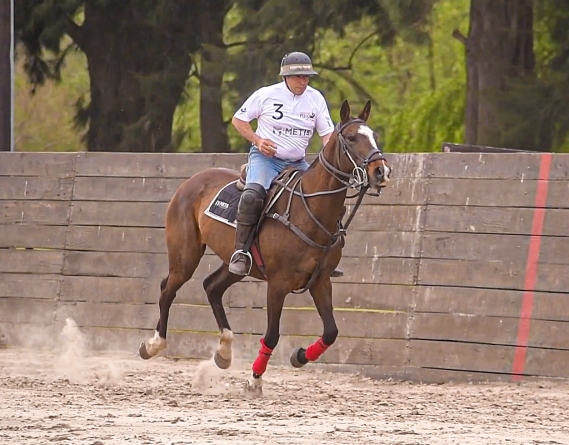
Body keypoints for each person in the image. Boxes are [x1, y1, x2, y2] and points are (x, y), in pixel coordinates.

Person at [229, 51, 343, 277]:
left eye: (306, 77)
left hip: (297, 163)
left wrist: (331, 156)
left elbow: (328, 134)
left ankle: (324, 256)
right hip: (266, 160)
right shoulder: (266, 95)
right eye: (298, 77)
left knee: (323, 196)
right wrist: (258, 140)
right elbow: (238, 119)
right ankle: (241, 252)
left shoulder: (316, 98)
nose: (303, 81)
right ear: (285, 77)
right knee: (252, 196)